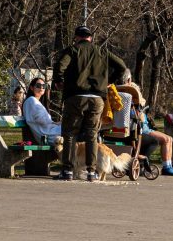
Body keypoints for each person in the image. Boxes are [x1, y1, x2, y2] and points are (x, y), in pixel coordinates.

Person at [52, 25, 129, 181]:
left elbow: (60, 66)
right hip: (96, 98)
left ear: (76, 37)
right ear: (90, 38)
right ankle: (91, 171)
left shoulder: (72, 50)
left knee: (69, 134)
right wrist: (108, 81)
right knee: (92, 135)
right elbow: (121, 66)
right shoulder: (101, 51)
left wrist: (59, 81)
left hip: (75, 96)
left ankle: (67, 170)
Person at [117, 74, 173, 176]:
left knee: (170, 139)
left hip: (143, 128)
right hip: (141, 129)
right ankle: (166, 167)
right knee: (166, 139)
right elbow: (138, 120)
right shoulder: (131, 104)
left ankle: (168, 165)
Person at [21, 77, 61, 148]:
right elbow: (41, 119)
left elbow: (42, 120)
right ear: (31, 88)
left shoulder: (35, 102)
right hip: (48, 136)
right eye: (38, 86)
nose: (42, 87)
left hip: (49, 133)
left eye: (44, 86)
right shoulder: (31, 100)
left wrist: (55, 123)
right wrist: (53, 123)